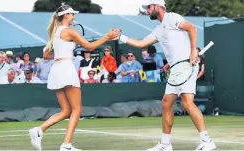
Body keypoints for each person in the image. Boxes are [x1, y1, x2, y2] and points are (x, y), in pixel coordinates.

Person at [118, 0, 216, 150]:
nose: (147, 11)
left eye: (149, 7)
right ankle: (165, 144)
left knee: (187, 103)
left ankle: (207, 141)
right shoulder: (159, 29)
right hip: (177, 67)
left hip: (186, 66)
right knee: (166, 103)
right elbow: (141, 43)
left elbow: (192, 29)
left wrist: (193, 51)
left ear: (158, 6)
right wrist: (120, 37)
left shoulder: (172, 17)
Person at [28, 5, 120, 151]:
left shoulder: (54, 32)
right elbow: (90, 47)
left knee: (66, 111)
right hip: (65, 69)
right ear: (65, 16)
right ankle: (66, 145)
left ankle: (39, 130)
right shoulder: (69, 31)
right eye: (72, 15)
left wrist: (64, 51)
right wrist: (107, 37)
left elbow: (46, 55)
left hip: (57, 70)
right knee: (77, 110)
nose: (74, 17)